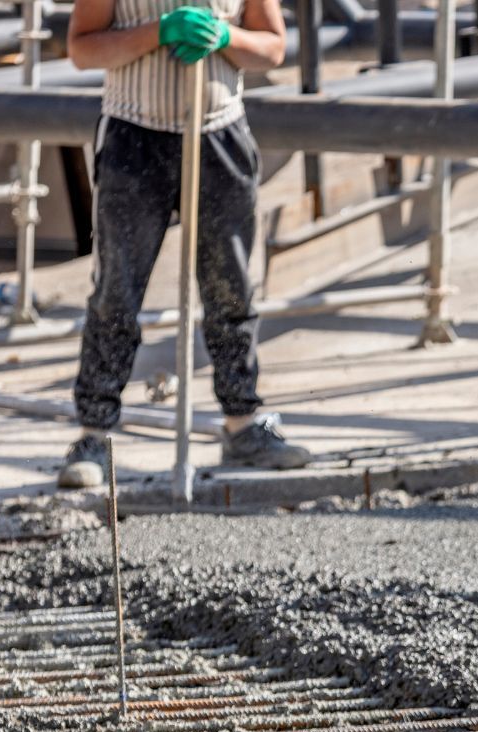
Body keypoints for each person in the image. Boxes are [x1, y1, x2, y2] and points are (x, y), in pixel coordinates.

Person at [58, 0, 312, 489]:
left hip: (219, 133)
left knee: (230, 288)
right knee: (117, 291)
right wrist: (157, 32)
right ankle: (95, 435)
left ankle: (243, 421)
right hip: (135, 134)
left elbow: (273, 47)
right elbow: (82, 49)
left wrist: (225, 37)